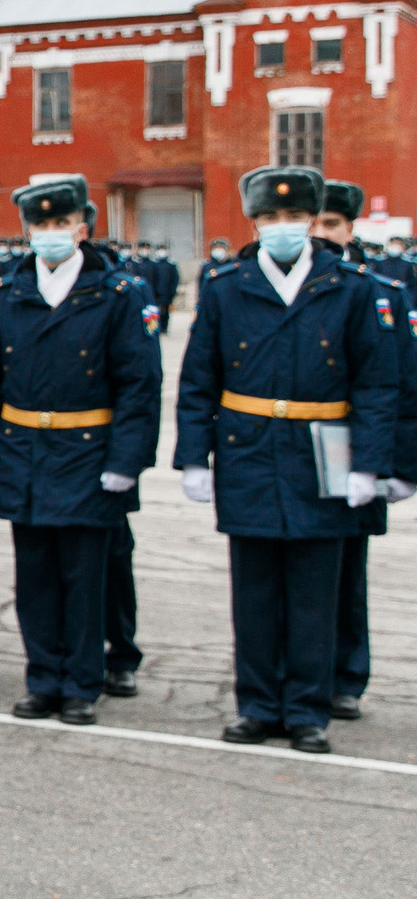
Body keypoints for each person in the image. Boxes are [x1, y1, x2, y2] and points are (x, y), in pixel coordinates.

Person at [175, 167, 397, 754]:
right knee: (254, 592)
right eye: (269, 218)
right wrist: (193, 457)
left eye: (293, 217)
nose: (282, 227)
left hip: (320, 455)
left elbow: (377, 384)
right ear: (253, 222)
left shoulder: (349, 287)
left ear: (311, 219)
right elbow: (199, 379)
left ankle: (306, 710)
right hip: (248, 453)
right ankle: (256, 705)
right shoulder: (226, 286)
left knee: (314, 594)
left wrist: (369, 464)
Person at [0, 177, 160, 723]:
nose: (49, 234)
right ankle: (43, 678)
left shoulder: (119, 293)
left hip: (89, 452)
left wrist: (127, 461)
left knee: (84, 575)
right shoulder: (7, 292)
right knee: (36, 575)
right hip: (24, 448)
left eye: (59, 224)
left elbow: (139, 385)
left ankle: (81, 684)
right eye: (40, 226)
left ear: (82, 228)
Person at [312, 180, 417, 722]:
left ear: (351, 229)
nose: (320, 234)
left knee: (348, 571)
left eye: (331, 224)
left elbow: (402, 383)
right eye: (316, 223)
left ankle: (346, 676)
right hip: (296, 445)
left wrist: (402, 467)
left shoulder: (380, 290)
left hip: (356, 446)